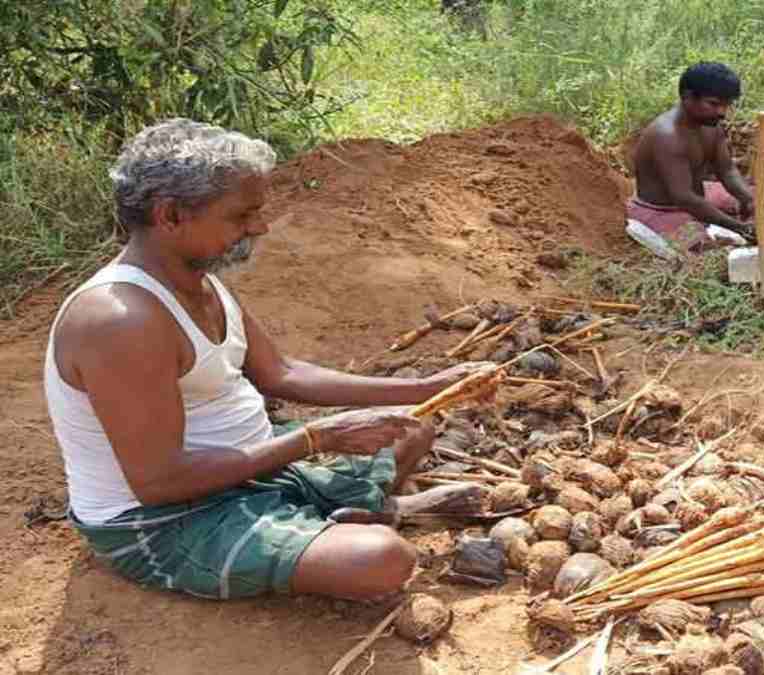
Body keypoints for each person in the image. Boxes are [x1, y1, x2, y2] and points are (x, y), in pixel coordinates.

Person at [44, 118, 490, 602]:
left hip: (249, 464)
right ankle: (360, 521)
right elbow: (159, 483)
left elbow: (281, 373)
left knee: (413, 426)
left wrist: (429, 388)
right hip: (164, 519)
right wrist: (316, 439)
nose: (260, 226)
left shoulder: (197, 281)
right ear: (170, 215)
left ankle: (333, 520)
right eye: (241, 216)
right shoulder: (120, 321)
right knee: (382, 560)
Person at [628, 62, 757, 254]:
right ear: (687, 97)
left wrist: (751, 200)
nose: (722, 112)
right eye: (714, 104)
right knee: (703, 249)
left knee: (753, 196)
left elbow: (727, 170)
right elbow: (684, 198)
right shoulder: (667, 136)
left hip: (699, 195)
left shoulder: (710, 125)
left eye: (727, 105)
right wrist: (738, 227)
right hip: (663, 210)